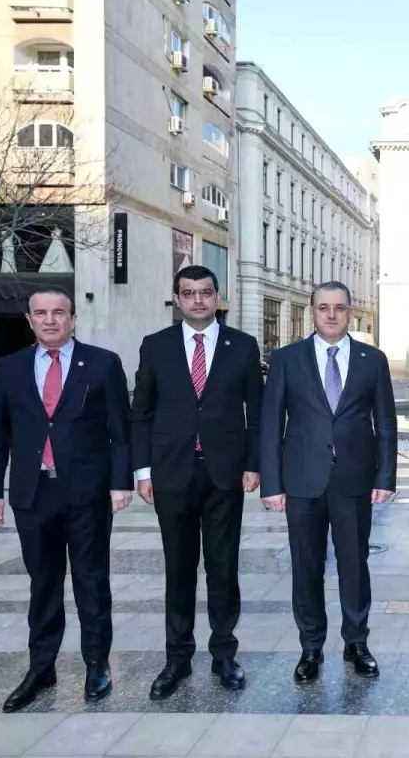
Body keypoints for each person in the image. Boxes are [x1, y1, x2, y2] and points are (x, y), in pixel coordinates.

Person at [0, 286, 133, 713]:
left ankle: (97, 663)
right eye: (41, 313)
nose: (50, 320)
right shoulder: (10, 368)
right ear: (29, 320)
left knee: (91, 580)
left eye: (59, 312)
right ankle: (41, 668)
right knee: (43, 584)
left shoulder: (102, 364)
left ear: (72, 318)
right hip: (33, 493)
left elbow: (121, 431)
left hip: (86, 492)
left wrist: (120, 483)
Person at [130, 265, 264, 699]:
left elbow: (256, 412)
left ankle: (224, 654)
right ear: (177, 299)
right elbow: (141, 413)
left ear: (217, 296)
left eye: (205, 292)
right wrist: (143, 471)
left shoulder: (242, 346)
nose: (198, 300)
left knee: (223, 568)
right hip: (171, 474)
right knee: (179, 569)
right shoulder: (155, 346)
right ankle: (178, 659)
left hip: (224, 474)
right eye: (189, 293)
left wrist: (253, 463)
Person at [259, 281, 397, 683]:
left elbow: (385, 422)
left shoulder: (373, 360)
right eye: (323, 307)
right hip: (302, 481)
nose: (331, 314)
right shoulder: (286, 359)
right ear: (312, 311)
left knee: (355, 565)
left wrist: (385, 476)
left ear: (349, 311)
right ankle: (311, 648)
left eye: (339, 307)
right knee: (306, 566)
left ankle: (357, 643)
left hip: (355, 479)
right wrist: (272, 483)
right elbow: (271, 424)